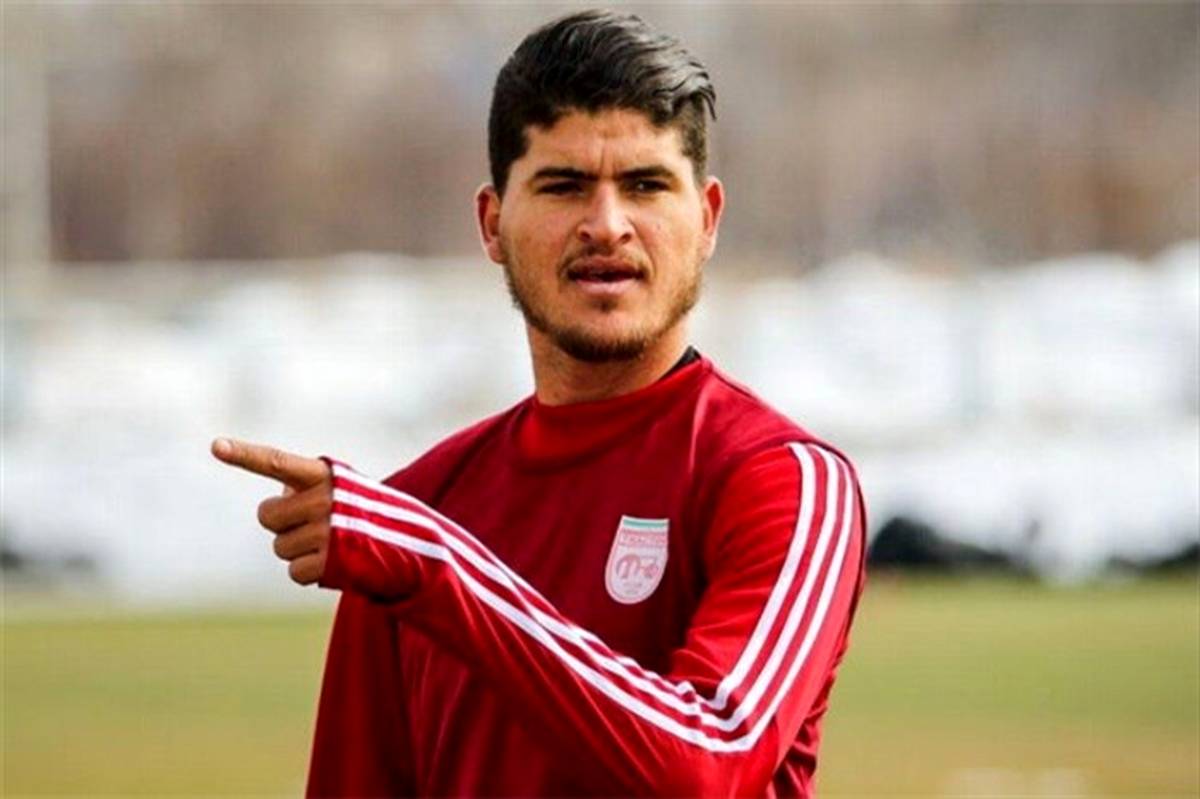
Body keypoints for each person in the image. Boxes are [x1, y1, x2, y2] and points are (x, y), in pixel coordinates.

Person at [212, 9, 866, 797]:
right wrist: (421, 550)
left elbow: (709, 761)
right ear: (492, 224)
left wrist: (437, 565)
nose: (607, 225)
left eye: (646, 185)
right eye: (564, 186)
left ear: (707, 219)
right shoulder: (416, 514)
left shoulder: (784, 481)